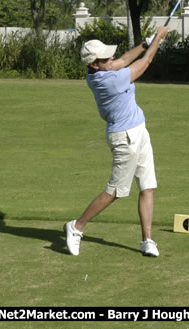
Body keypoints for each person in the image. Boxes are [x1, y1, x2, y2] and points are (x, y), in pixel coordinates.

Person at [65, 26, 169, 257]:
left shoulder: (102, 69)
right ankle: (76, 227)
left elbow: (121, 59)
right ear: (95, 64)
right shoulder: (108, 81)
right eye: (105, 57)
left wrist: (145, 43)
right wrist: (158, 40)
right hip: (125, 137)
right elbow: (146, 62)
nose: (111, 57)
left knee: (147, 185)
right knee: (115, 191)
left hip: (139, 130)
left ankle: (147, 240)